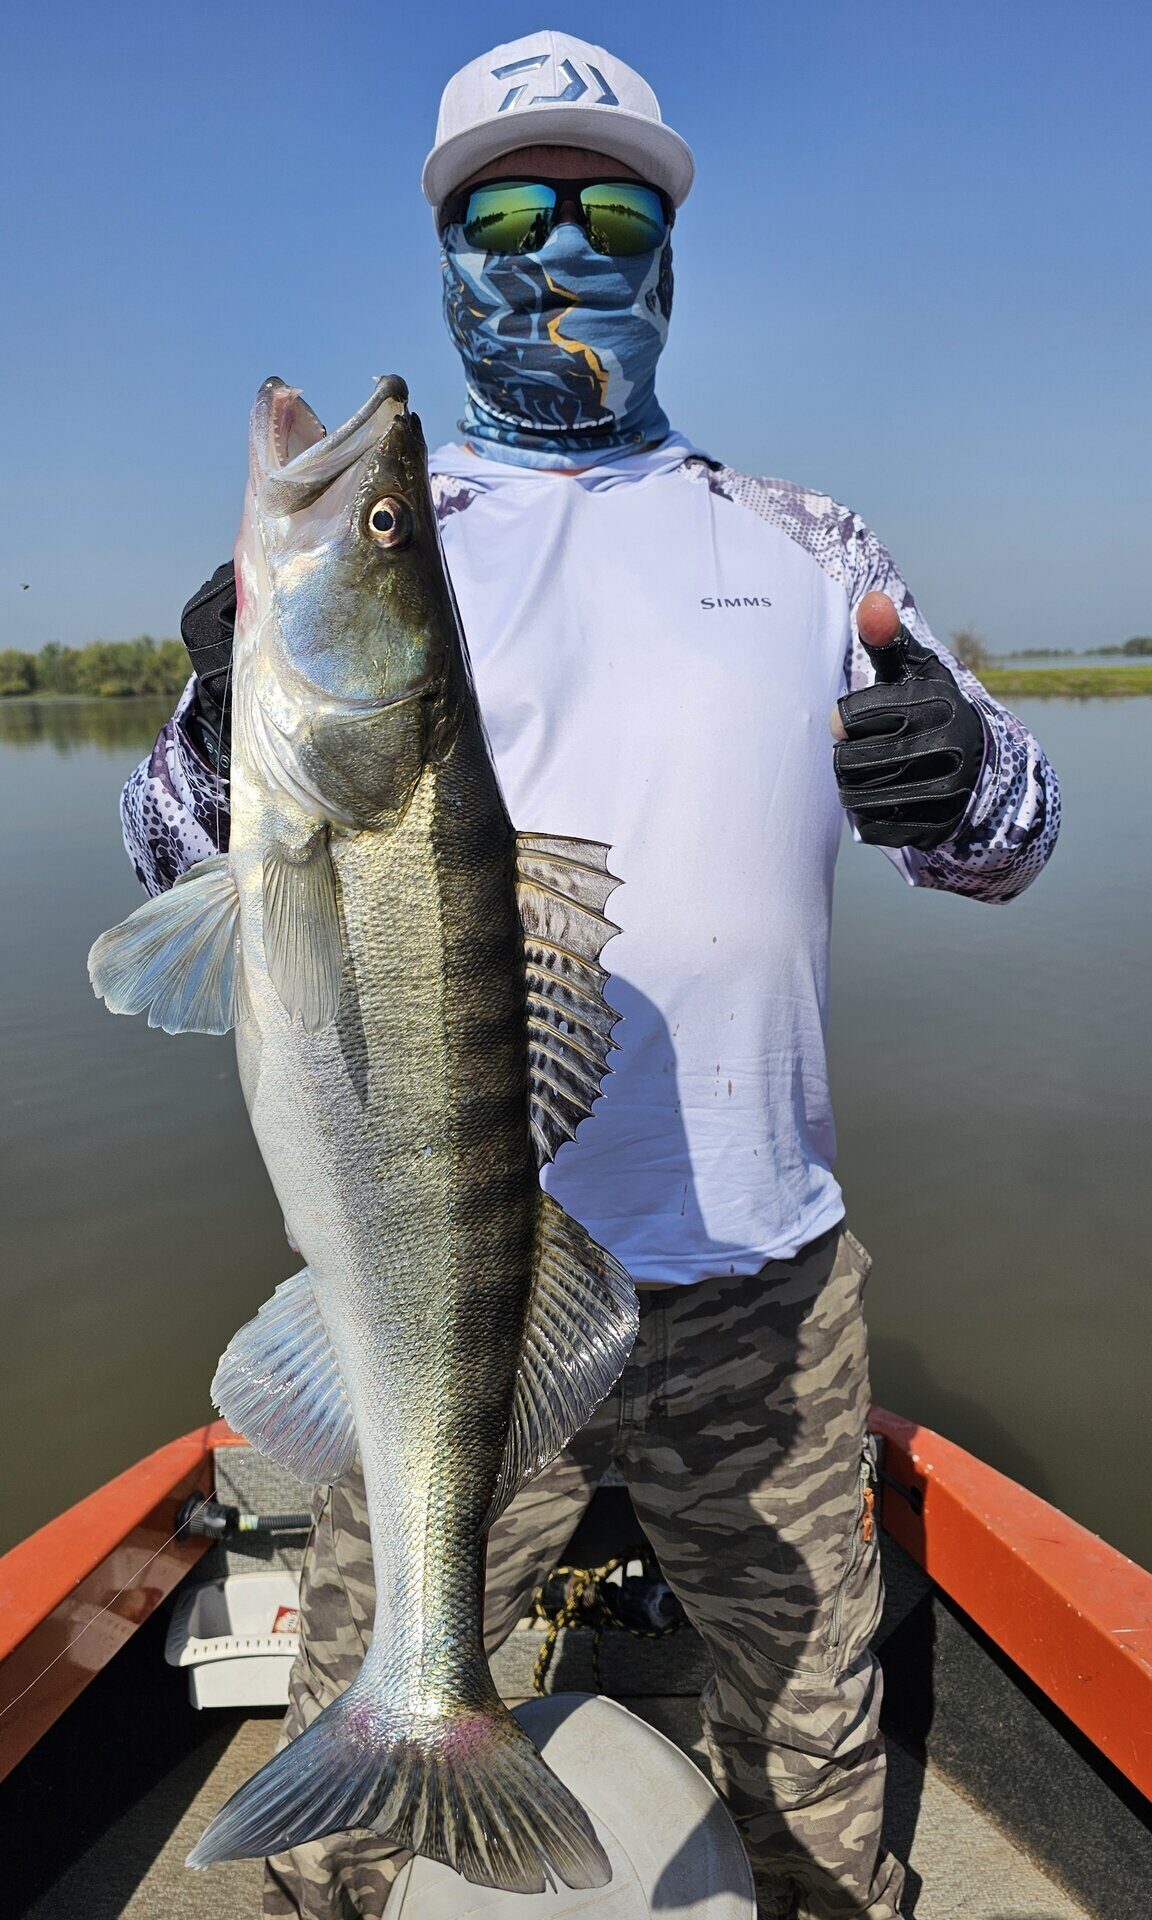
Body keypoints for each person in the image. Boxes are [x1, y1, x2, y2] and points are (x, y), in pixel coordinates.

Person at [121, 32, 1059, 1920]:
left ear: (670, 253)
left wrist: (962, 775)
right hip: (435, 1293)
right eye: (509, 207)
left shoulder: (809, 543)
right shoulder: (391, 559)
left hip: (765, 1301)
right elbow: (164, 858)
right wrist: (225, 719)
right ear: (448, 246)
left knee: (813, 1758)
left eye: (609, 203)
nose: (559, 244)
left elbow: (1013, 843)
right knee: (352, 1795)